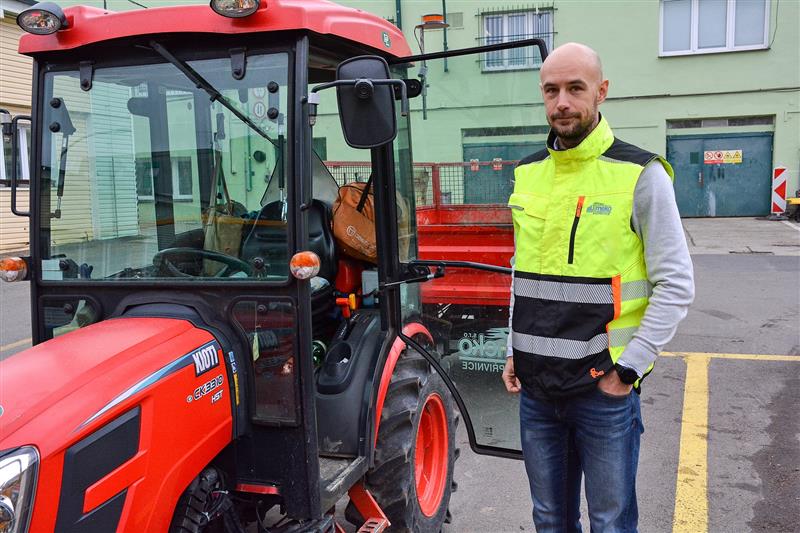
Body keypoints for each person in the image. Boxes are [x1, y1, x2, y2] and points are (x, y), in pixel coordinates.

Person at [501, 42, 694, 532]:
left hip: (601, 391)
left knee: (609, 521)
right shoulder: (527, 174)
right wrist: (512, 350)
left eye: (574, 88)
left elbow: (675, 284)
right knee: (549, 519)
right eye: (551, 90)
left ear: (601, 92)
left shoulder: (640, 175)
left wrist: (626, 372)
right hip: (537, 392)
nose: (561, 101)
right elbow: (522, 274)